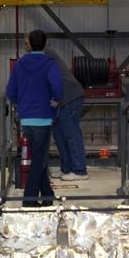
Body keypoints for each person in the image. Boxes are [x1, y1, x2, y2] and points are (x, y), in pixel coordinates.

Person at [5, 30, 62, 207]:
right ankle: (29, 200)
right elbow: (57, 86)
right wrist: (55, 99)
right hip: (43, 118)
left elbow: (10, 91)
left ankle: (48, 197)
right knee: (39, 160)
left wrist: (21, 103)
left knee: (38, 157)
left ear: (29, 43)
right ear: (45, 44)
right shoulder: (49, 64)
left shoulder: (20, 64)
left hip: (26, 119)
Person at [43, 47, 87, 181]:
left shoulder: (45, 54)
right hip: (59, 101)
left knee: (71, 134)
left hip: (69, 97)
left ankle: (79, 170)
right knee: (59, 136)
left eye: (28, 42)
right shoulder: (41, 56)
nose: (25, 46)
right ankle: (66, 168)